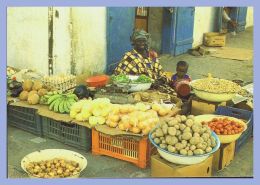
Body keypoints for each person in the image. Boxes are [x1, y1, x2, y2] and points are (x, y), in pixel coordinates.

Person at [114, 29, 176, 94]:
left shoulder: (152, 55)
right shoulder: (129, 57)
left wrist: (160, 80)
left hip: (157, 85)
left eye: (143, 41)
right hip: (138, 88)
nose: (141, 43)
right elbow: (124, 77)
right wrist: (148, 81)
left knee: (172, 94)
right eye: (138, 41)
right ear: (134, 42)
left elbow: (161, 72)